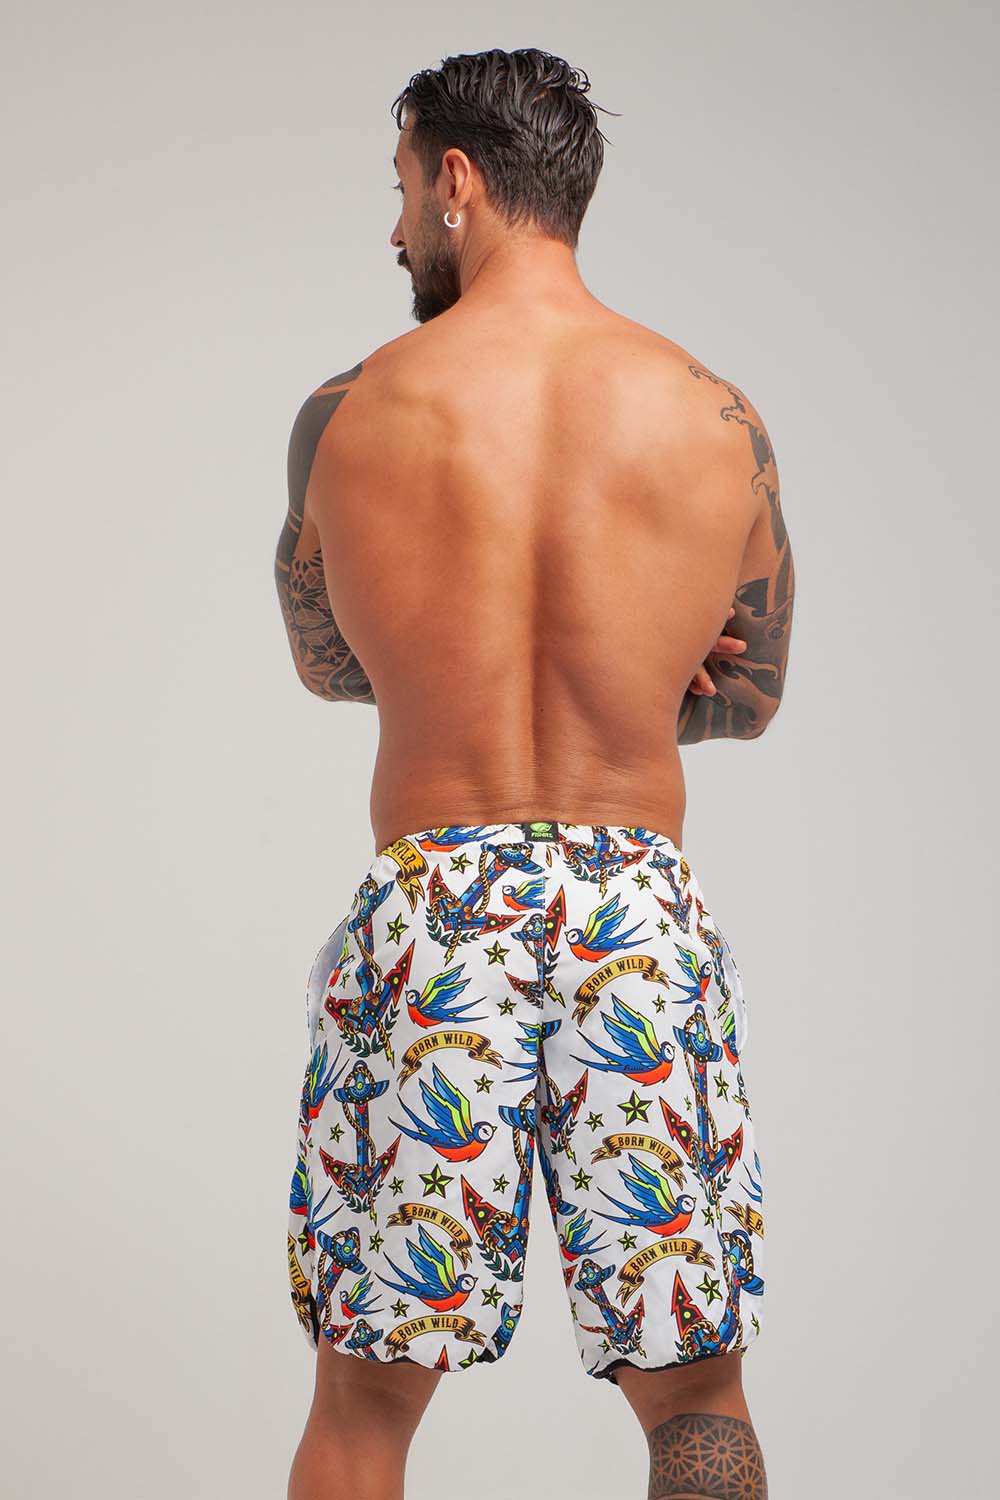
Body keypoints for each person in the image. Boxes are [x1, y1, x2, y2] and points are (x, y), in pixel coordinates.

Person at [275, 47, 793, 1500]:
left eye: (399, 189)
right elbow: (751, 697)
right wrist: (636, 678)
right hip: (638, 917)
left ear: (457, 179)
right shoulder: (715, 414)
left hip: (435, 913)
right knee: (697, 1388)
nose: (394, 231)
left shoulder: (349, 412)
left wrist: (441, 661)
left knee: (364, 1400)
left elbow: (327, 665)